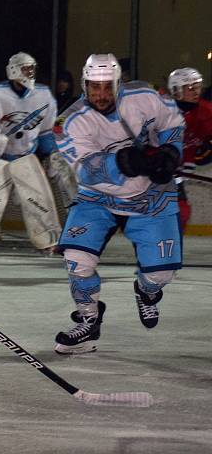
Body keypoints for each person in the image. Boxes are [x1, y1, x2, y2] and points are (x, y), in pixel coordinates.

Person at [52, 53, 184, 354]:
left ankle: (146, 292)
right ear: (84, 84)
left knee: (161, 274)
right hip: (97, 198)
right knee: (76, 261)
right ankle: (88, 320)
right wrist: (121, 162)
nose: (100, 94)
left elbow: (172, 122)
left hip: (152, 197)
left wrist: (171, 152)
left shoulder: (145, 96)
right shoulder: (69, 121)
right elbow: (83, 169)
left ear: (118, 82)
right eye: (93, 86)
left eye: (106, 86)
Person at [0, 52, 63, 254]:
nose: (30, 73)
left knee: (39, 200)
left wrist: (52, 154)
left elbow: (46, 131)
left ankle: (48, 240)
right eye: (26, 68)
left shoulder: (43, 94)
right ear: (14, 70)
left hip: (26, 156)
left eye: (32, 68)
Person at [166, 67, 212, 232]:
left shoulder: (206, 111)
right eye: (190, 87)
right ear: (177, 90)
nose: (196, 92)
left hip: (176, 175)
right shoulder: (161, 111)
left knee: (181, 213)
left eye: (198, 87)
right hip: (151, 172)